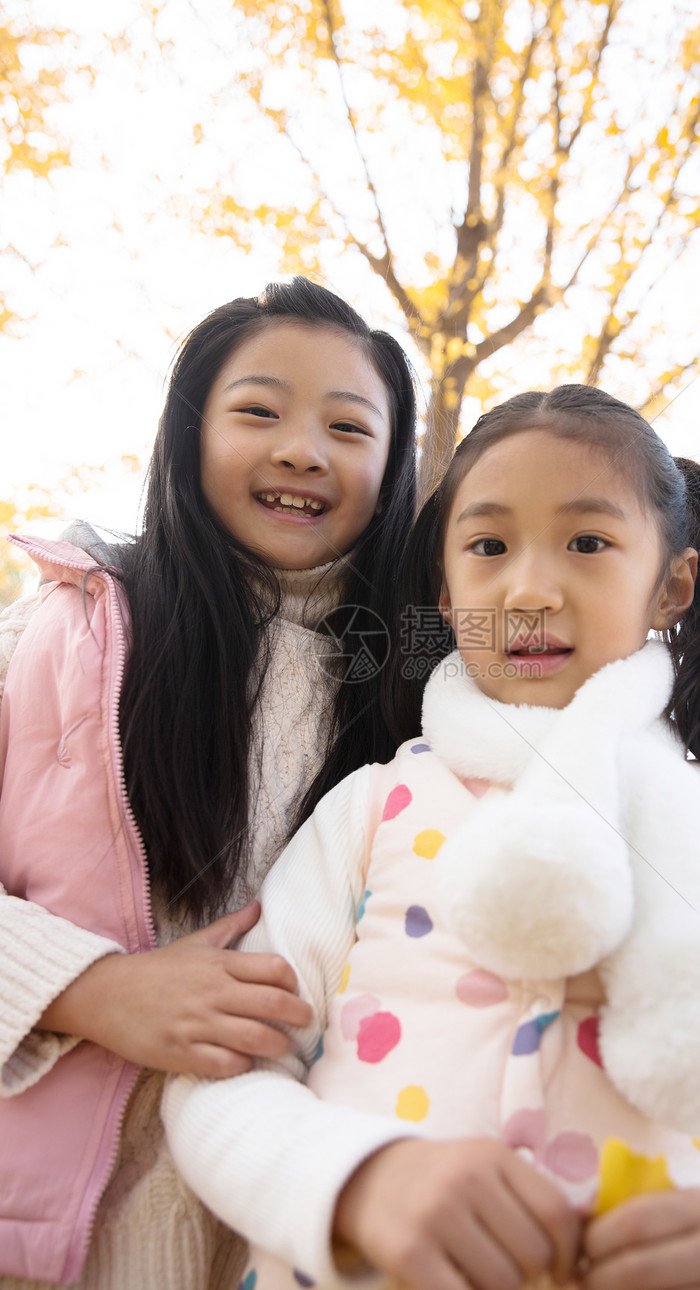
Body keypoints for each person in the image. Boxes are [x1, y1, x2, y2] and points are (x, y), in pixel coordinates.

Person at [164, 384, 700, 1290]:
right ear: (447, 597)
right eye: (489, 546)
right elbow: (219, 1076)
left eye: (588, 542)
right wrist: (360, 1185)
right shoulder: (375, 813)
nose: (530, 588)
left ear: (672, 586)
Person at [0, 277, 418, 1289]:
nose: (302, 450)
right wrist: (92, 990)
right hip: (47, 1237)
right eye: (258, 410)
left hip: (290, 1234)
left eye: (348, 427)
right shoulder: (67, 632)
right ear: (188, 437)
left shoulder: (418, 689)